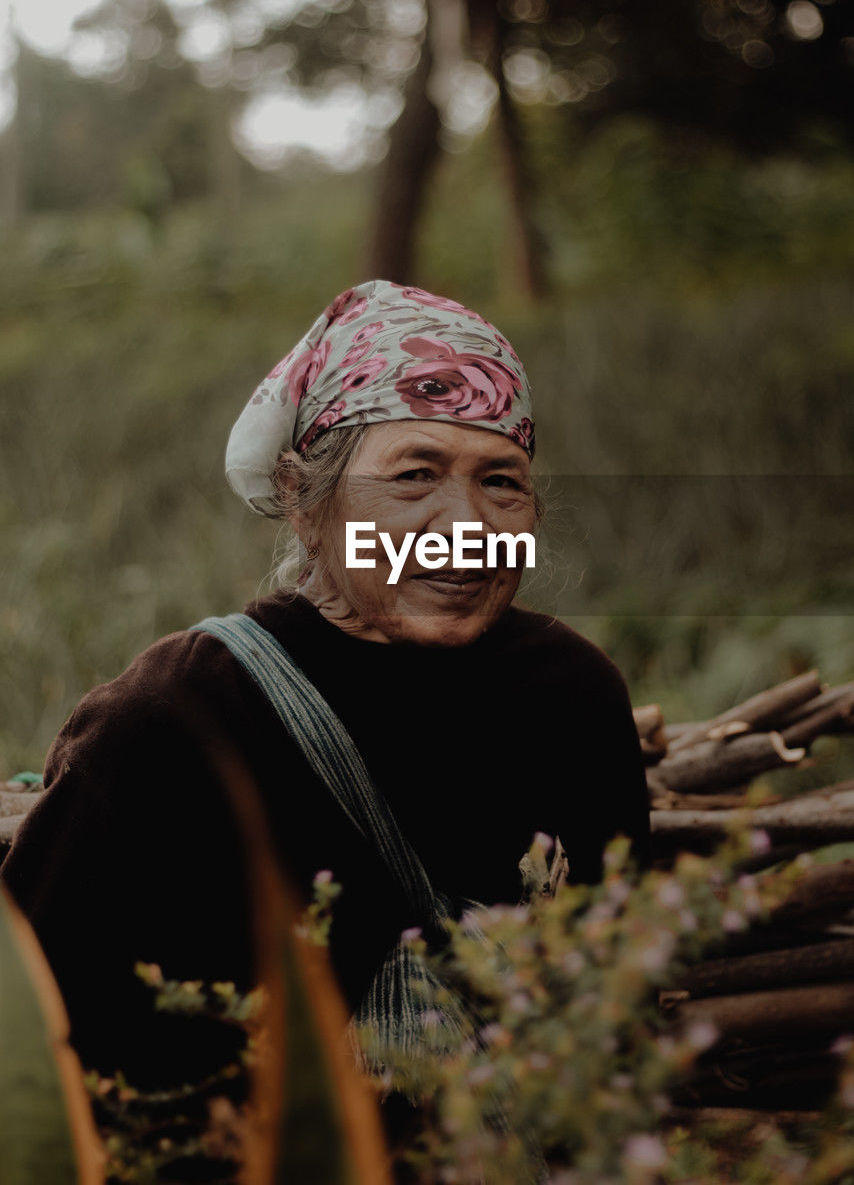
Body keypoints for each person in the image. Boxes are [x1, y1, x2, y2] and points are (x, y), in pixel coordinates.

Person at [0, 278, 651, 1095]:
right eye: (415, 475)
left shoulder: (573, 695)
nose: (466, 527)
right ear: (306, 504)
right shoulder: (174, 716)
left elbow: (616, 1001)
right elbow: (30, 1032)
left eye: (502, 482)